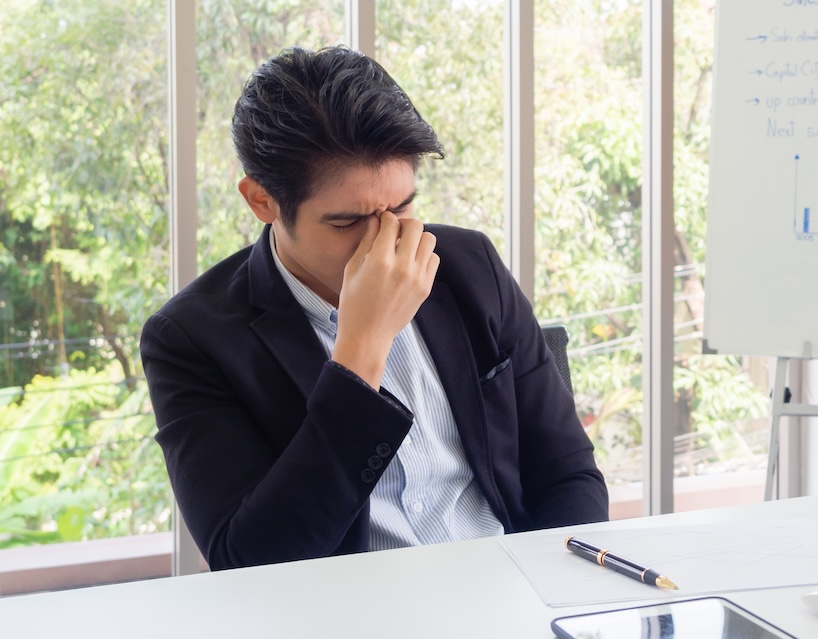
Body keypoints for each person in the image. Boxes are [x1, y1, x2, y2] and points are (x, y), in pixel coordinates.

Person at [141, 45, 608, 571]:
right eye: (347, 223)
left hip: (509, 589)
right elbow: (250, 559)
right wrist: (361, 351)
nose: (388, 239)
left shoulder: (469, 267)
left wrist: (556, 590)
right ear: (262, 201)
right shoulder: (191, 339)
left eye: (403, 206)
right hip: (345, 627)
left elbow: (568, 475)